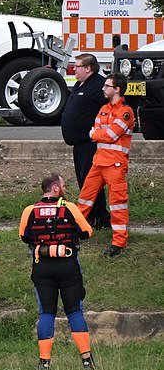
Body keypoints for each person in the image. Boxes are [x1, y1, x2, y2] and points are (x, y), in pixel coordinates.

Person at [19, 174, 95, 370]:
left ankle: (44, 362)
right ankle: (87, 360)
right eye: (63, 185)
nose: (65, 188)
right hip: (68, 265)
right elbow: (87, 232)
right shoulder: (69, 208)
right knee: (75, 311)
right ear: (55, 188)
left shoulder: (30, 210)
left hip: (42, 267)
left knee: (46, 313)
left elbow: (23, 236)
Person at [77, 72, 135, 257]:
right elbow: (96, 131)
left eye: (106, 86)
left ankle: (119, 242)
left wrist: (96, 134)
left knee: (117, 204)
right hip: (99, 162)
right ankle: (75, 232)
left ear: (116, 89)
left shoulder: (126, 112)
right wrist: (97, 134)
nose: (103, 89)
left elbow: (108, 135)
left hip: (115, 166)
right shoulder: (103, 108)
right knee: (84, 199)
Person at [61, 53, 111, 229]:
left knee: (91, 181)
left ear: (88, 68)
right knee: (83, 180)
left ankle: (99, 217)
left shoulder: (99, 85)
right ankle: (92, 216)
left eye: (78, 66)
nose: (74, 69)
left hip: (90, 143)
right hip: (78, 143)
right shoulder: (79, 84)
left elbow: (109, 107)